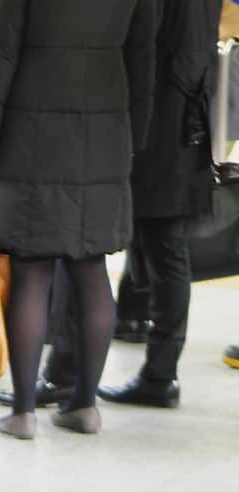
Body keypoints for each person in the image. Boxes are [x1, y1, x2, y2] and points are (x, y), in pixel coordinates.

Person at [0, 0, 156, 439]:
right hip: (106, 135)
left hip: (29, 138)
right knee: (91, 268)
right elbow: (143, 56)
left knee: (31, 270)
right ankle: (84, 406)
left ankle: (23, 412)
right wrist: (133, 134)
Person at [98, 0, 222, 410]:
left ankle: (160, 374)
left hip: (162, 117)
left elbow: (151, 44)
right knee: (158, 238)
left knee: (164, 243)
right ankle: (149, 350)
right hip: (179, 113)